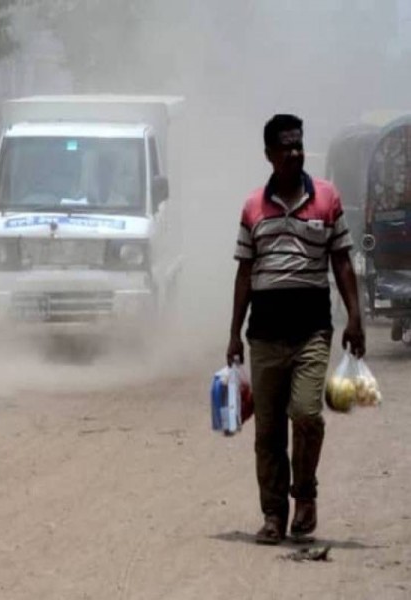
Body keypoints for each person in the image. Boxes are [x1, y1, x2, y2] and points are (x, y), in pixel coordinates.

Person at [227, 114, 366, 545]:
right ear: (269, 155)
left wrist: (356, 317)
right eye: (285, 147)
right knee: (268, 432)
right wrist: (234, 334)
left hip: (311, 333)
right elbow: (245, 273)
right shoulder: (253, 207)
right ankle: (273, 515)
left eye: (298, 145)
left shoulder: (326, 198)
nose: (294, 153)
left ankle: (305, 495)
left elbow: (341, 260)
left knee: (306, 415)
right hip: (264, 336)